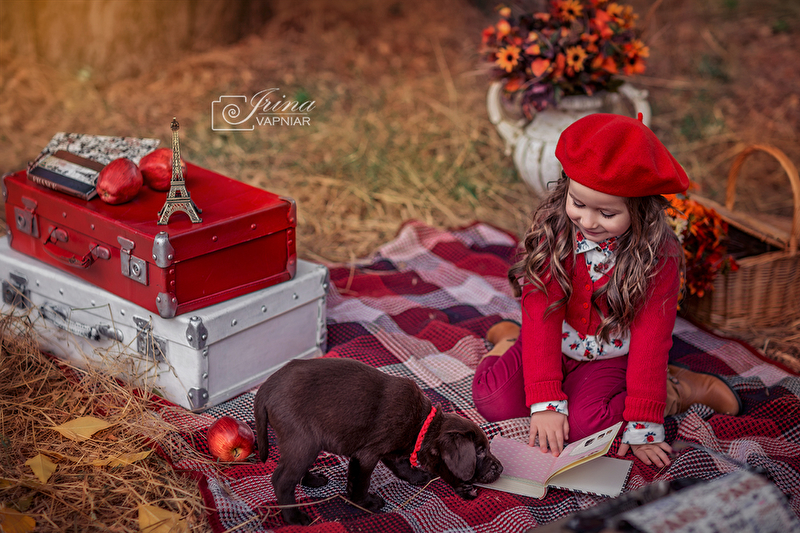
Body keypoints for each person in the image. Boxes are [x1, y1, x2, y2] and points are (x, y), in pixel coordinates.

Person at [472, 113, 741, 468]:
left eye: (607, 213)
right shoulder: (555, 233)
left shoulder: (658, 256)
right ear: (566, 188)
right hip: (552, 338)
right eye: (578, 203)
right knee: (493, 398)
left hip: (610, 352)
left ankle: (675, 389)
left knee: (587, 426)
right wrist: (546, 400)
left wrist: (644, 421)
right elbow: (541, 314)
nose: (587, 221)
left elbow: (651, 338)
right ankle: (509, 338)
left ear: (641, 212)